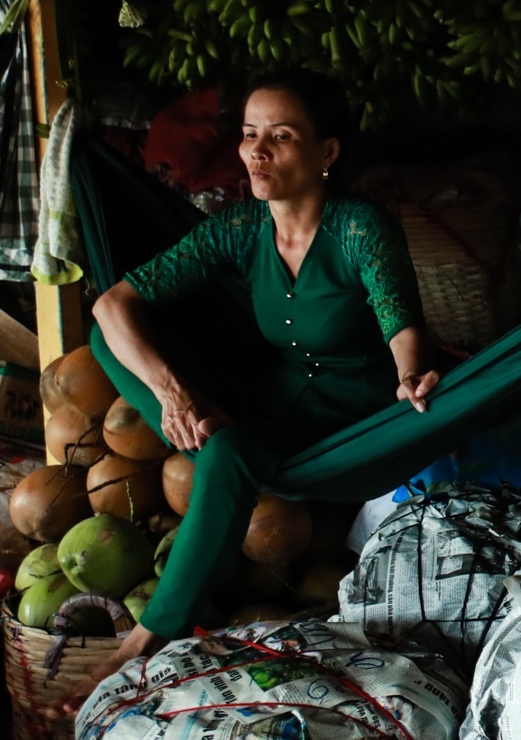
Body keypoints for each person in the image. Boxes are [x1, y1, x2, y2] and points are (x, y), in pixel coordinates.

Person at [65, 70, 440, 702]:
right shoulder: (242, 227)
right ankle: (209, 444)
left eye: (281, 136)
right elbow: (113, 304)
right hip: (271, 398)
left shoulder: (359, 227)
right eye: (248, 134)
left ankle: (149, 634)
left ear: (326, 151)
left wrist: (409, 375)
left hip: (348, 422)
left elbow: (399, 319)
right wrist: (171, 392)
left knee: (231, 452)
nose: (257, 151)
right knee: (111, 339)